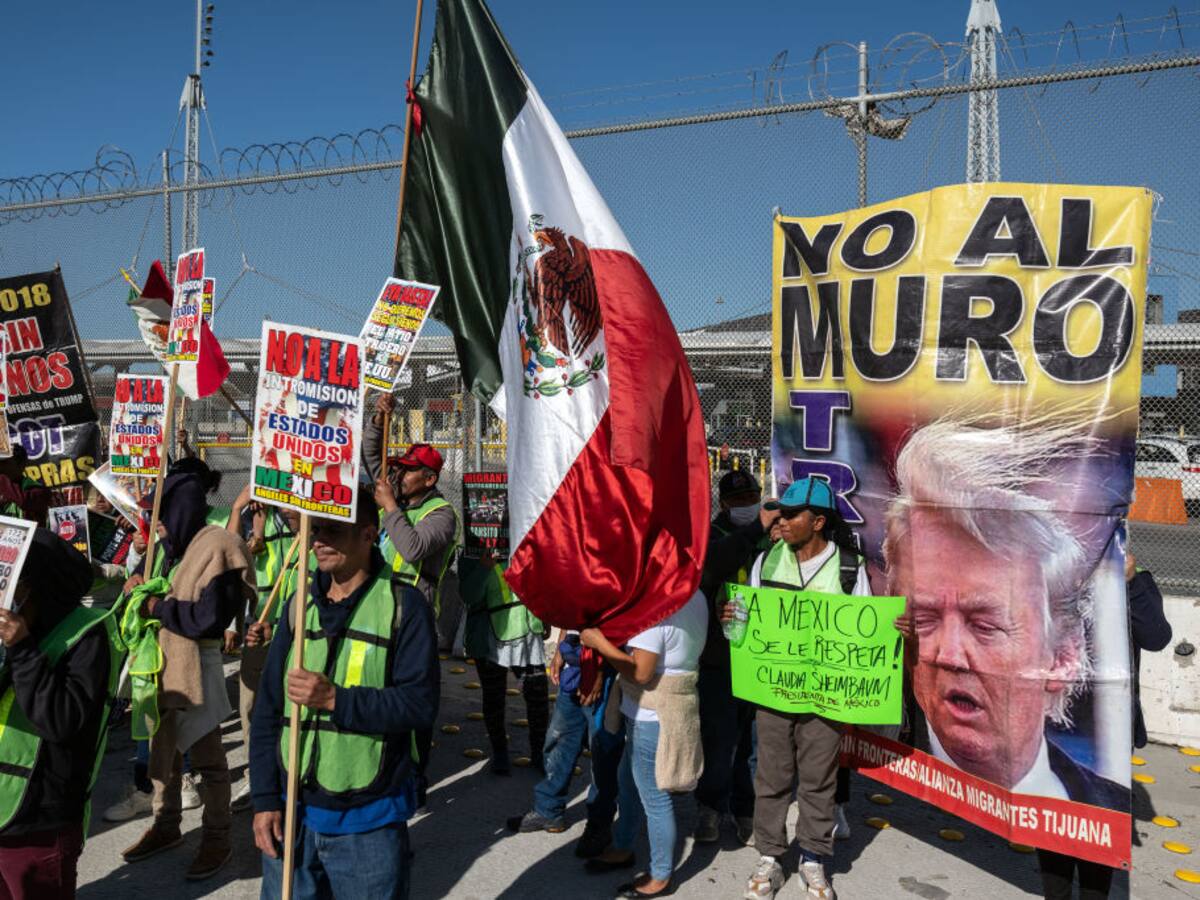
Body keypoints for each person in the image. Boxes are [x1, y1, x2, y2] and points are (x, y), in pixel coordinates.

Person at [885, 421, 1126, 808]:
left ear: (1063, 655)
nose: (948, 654)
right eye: (925, 619)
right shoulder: (882, 757)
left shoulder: (1102, 808)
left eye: (984, 625)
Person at [248, 489, 439, 900]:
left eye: (332, 531)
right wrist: (264, 798)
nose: (318, 540)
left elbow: (419, 705)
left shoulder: (405, 607)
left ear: (369, 535)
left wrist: (336, 699)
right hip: (291, 810)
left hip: (367, 820)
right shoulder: (300, 605)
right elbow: (268, 709)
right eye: (315, 529)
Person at [119, 468, 257, 881]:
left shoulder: (220, 546)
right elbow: (153, 587)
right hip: (161, 665)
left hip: (198, 666)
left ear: (183, 508)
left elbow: (209, 619)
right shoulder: (169, 547)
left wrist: (158, 607)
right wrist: (138, 583)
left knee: (210, 760)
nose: (155, 520)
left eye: (161, 511)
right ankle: (166, 826)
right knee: (164, 756)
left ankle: (218, 835)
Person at [737, 477, 870, 900]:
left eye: (791, 514)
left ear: (817, 522)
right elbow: (745, 624)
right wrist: (732, 616)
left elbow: (864, 636)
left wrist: (893, 631)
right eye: (781, 512)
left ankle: (813, 857)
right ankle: (771, 856)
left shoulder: (849, 568)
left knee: (818, 779)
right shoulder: (767, 560)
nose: (782, 520)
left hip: (824, 697)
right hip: (774, 693)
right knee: (771, 776)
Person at [1034, 550, 1173, 900]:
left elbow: (1157, 637)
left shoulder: (1134, 579)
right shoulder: (1050, 575)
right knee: (1054, 824)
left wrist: (1130, 582)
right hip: (1051, 723)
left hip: (1108, 729)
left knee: (1098, 827)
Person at [0, 530, 123, 899]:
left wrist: (22, 651)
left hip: (39, 821)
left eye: (13, 585)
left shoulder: (86, 635)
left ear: (37, 587)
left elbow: (62, 720)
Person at [581, 589, 708, 899]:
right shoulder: (697, 595)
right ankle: (623, 845)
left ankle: (661, 874)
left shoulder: (653, 609)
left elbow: (640, 672)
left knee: (654, 797)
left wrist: (598, 643)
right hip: (657, 708)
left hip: (652, 713)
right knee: (629, 781)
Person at [365, 393, 459, 805]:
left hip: (414, 619)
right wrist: (376, 418)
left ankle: (414, 778)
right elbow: (372, 454)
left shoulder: (442, 514)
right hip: (378, 610)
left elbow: (414, 550)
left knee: (415, 702)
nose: (398, 476)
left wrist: (388, 508)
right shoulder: (399, 499)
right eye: (398, 469)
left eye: (408, 471)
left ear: (430, 479)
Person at [694, 469, 772, 845]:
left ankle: (746, 810)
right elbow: (713, 566)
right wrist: (755, 527)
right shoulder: (711, 536)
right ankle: (710, 807)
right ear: (723, 504)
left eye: (752, 497)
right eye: (738, 501)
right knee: (719, 740)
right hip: (719, 659)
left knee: (753, 744)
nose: (747, 505)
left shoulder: (773, 539)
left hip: (762, 657)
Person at [506, 630, 626, 860]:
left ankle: (599, 825)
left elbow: (616, 627)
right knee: (559, 740)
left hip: (605, 671)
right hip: (575, 667)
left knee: (603, 752)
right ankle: (548, 810)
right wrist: (560, 651)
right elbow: (570, 615)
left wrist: (599, 674)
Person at [228, 484, 301, 812]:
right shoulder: (256, 515)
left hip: (298, 630)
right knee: (251, 705)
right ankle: (257, 772)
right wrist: (236, 510)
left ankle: (290, 774)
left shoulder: (310, 521)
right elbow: (228, 558)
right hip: (261, 626)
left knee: (291, 705)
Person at [459, 550, 548, 775]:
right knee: (494, 698)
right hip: (490, 639)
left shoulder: (527, 538)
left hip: (528, 634)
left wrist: (546, 615)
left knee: (537, 697)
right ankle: (500, 753)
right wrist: (484, 566)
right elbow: (468, 596)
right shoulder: (472, 553)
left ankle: (539, 754)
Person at [0, 446, 50, 527]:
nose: (0, 467)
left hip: (33, 539)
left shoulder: (39, 491)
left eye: (4, 462)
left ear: (21, 464)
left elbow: (23, 501)